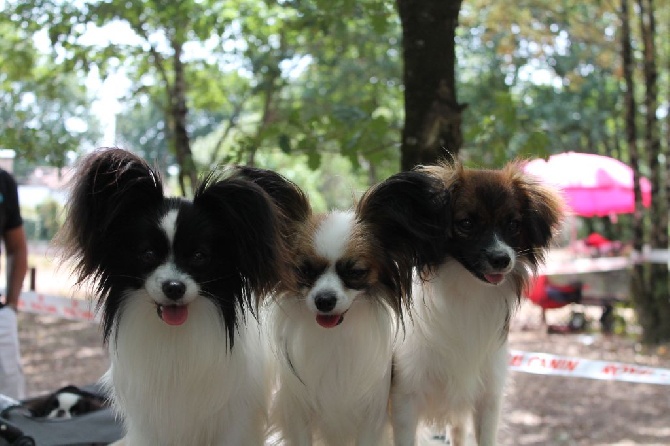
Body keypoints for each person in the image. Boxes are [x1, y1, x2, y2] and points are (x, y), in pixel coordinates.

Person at [0, 168, 27, 400]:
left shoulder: (3, 182)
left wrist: (11, 305)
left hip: (1, 315)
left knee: (10, 402)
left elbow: (17, 248)